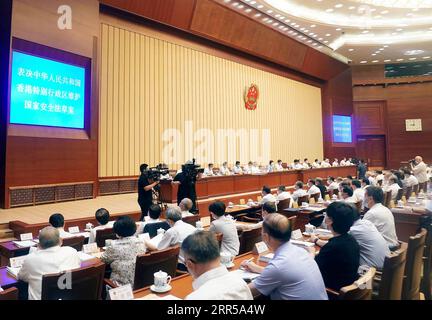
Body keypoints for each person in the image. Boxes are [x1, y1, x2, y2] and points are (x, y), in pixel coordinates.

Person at [241, 214, 328, 300]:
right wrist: (256, 268)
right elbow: (284, 273)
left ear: (265, 237)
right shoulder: (301, 251)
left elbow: (246, 291)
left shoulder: (278, 266)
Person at [183, 231, 252, 300]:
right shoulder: (240, 283)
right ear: (219, 255)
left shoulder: (195, 298)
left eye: (185, 263)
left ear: (189, 264)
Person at [18, 227, 81, 300]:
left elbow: (21, 277)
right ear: (61, 241)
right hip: (67, 296)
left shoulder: (31, 258)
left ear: (39, 244)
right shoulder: (71, 252)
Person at [312, 202, 360, 291]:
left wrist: (311, 253)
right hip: (349, 286)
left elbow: (312, 268)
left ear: (329, 220)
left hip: (332, 292)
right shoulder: (351, 239)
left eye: (326, 215)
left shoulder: (333, 247)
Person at [101, 216, 146, 287]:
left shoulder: (114, 246)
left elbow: (103, 260)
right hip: (139, 284)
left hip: (119, 287)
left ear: (117, 232)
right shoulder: (141, 242)